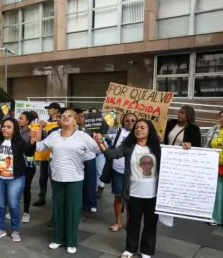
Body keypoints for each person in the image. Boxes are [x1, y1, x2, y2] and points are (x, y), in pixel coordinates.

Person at [96, 119, 192, 258]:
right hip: (134, 193)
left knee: (150, 224)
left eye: (142, 127)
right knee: (133, 222)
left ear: (149, 131)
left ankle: (146, 251)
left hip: (153, 195)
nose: (138, 130)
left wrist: (185, 147)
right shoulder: (128, 146)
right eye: (136, 128)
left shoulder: (159, 148)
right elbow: (112, 154)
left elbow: (176, 158)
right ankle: (130, 249)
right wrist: (100, 143)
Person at [30, 109, 100, 254]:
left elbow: (97, 149)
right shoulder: (54, 135)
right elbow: (40, 147)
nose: (65, 117)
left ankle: (71, 241)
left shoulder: (82, 136)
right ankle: (57, 239)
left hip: (75, 178)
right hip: (57, 177)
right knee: (58, 209)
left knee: (72, 211)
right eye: (63, 116)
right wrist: (34, 139)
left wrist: (100, 139)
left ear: (75, 121)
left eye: (69, 116)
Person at [105, 113, 137, 232]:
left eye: (133, 120)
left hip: (134, 172)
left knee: (131, 199)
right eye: (127, 120)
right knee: (118, 196)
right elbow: (105, 139)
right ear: (123, 121)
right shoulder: (116, 132)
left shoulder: (140, 133)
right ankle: (118, 222)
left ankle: (129, 222)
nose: (130, 122)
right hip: (118, 170)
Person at [33, 102, 61, 207]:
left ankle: (56, 199)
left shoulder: (61, 123)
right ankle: (42, 197)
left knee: (55, 179)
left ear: (56, 110)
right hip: (44, 156)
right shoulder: (45, 123)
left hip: (55, 157)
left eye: (50, 108)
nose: (48, 110)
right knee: (42, 178)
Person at [74, 107, 98, 212]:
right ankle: (78, 203)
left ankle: (90, 203)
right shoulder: (74, 129)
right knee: (78, 183)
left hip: (90, 158)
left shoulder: (94, 129)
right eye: (78, 116)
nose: (80, 118)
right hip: (77, 159)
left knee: (90, 182)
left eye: (82, 116)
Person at [206, 110, 223, 226]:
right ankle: (216, 218)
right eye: (221, 116)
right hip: (216, 166)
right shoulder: (214, 129)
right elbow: (207, 144)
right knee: (218, 193)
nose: (222, 118)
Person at [19, 111, 36, 223]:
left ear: (27, 121)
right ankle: (13, 210)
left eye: (21, 118)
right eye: (19, 118)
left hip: (28, 165)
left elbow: (31, 150)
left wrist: (32, 141)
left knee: (26, 188)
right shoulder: (15, 132)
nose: (19, 120)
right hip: (16, 164)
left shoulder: (31, 133)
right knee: (15, 188)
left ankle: (26, 212)